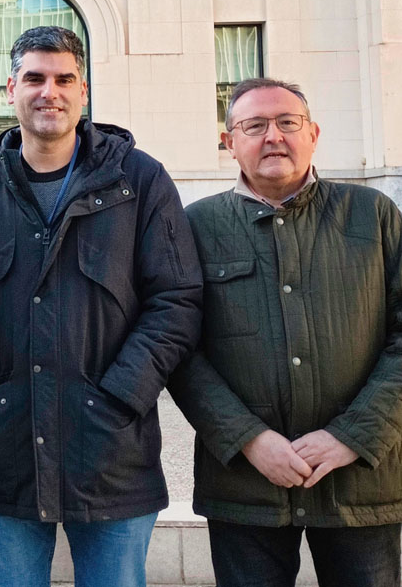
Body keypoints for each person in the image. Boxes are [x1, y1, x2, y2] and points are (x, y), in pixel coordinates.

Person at [0, 26, 203, 586]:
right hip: (3, 451)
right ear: (10, 89)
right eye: (34, 78)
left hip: (113, 452)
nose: (48, 91)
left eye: (63, 79)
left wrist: (120, 395)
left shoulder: (139, 179)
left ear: (83, 91)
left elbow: (176, 298)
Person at [170, 77, 402, 587]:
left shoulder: (374, 216)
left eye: (287, 122)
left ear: (313, 133)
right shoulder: (194, 227)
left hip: (361, 481)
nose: (272, 136)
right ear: (229, 142)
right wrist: (249, 439)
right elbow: (179, 349)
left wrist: (350, 437)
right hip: (245, 487)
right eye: (253, 126)